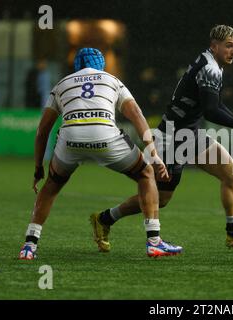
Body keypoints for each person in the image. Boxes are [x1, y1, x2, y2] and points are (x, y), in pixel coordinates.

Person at [90, 25, 233, 252]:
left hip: (189, 134)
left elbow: (215, 104)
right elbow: (212, 111)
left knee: (231, 174)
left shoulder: (213, 64)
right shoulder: (210, 68)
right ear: (214, 46)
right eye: (228, 46)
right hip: (173, 136)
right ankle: (105, 219)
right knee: (162, 199)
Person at [19, 48, 182, 260]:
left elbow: (42, 131)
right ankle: (154, 242)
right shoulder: (112, 80)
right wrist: (153, 152)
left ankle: (29, 246)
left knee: (51, 187)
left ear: (76, 65)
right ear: (101, 65)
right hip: (105, 135)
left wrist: (38, 168)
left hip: (71, 138)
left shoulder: (62, 83)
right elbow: (136, 115)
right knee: (145, 174)